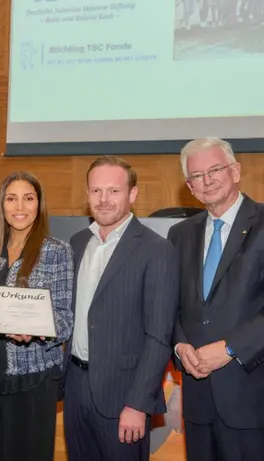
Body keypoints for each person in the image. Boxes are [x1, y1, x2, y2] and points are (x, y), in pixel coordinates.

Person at [63, 155, 179, 461]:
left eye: (113, 191)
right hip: (75, 387)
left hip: (124, 395)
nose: (103, 199)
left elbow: (159, 337)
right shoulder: (76, 243)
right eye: (96, 191)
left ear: (133, 194)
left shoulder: (157, 250)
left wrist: (138, 404)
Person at [0, 171, 73, 461]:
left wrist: (37, 328)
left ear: (39, 204)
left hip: (33, 377)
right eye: (11, 199)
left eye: (28, 198)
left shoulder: (56, 251)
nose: (20, 207)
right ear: (2, 205)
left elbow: (65, 319)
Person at [168, 137, 264, 461]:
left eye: (215, 170)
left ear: (235, 171)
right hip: (198, 400)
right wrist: (180, 346)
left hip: (251, 397)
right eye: (197, 175)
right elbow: (170, 305)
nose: (206, 180)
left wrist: (229, 348)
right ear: (189, 186)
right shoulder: (180, 235)